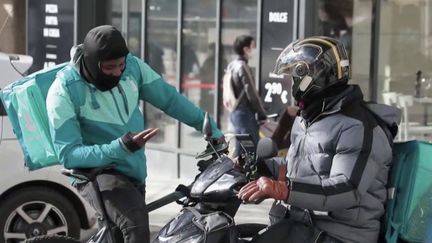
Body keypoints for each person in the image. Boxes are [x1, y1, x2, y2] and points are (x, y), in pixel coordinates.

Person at [46, 25, 224, 243]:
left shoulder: (132, 67)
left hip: (134, 170)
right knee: (135, 225)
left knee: (118, 235)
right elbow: (69, 154)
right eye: (110, 68)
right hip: (97, 173)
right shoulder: (65, 88)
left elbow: (170, 100)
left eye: (121, 66)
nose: (117, 73)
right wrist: (120, 147)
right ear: (93, 62)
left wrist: (209, 127)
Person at [238, 36, 400, 243]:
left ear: (312, 76)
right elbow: (297, 169)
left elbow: (345, 189)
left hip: (340, 234)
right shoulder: (308, 119)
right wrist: (256, 167)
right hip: (304, 224)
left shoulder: (358, 126)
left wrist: (282, 190)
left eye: (295, 75)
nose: (292, 83)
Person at [225, 35, 266, 157]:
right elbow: (251, 93)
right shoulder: (242, 66)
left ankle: (236, 174)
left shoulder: (232, 65)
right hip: (245, 114)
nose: (255, 50)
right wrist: (262, 112)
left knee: (240, 149)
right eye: (253, 46)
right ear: (246, 49)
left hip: (235, 113)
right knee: (252, 149)